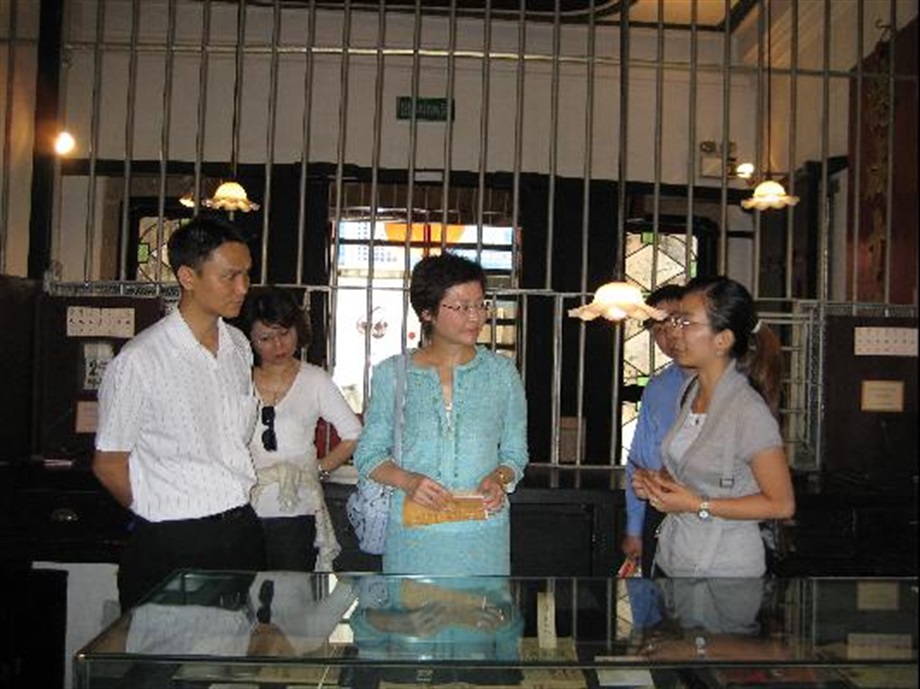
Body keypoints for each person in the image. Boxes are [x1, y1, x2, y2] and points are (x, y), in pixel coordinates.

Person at [93, 216, 265, 611]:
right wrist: (161, 508)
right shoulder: (141, 360)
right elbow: (109, 463)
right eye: (230, 276)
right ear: (188, 276)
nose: (243, 288)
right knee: (165, 664)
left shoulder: (237, 345)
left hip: (240, 528)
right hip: (172, 538)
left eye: (247, 275)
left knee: (231, 660)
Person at [352, 252, 529, 576]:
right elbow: (367, 455)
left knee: (480, 621)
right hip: (414, 534)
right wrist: (408, 481)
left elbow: (516, 453)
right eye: (461, 307)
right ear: (427, 312)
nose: (475, 316)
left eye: (480, 304)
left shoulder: (502, 373)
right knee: (414, 622)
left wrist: (499, 478)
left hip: (482, 534)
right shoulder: (393, 373)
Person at [634, 275, 794, 578]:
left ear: (722, 340)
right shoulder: (690, 391)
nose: (672, 331)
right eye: (674, 321)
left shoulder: (748, 410)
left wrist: (698, 504)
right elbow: (692, 473)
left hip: (726, 572)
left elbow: (781, 504)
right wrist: (659, 482)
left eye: (685, 323)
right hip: (678, 558)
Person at [242, 286, 362, 572]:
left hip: (297, 508)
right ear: (249, 339)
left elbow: (353, 434)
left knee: (291, 601)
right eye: (266, 338)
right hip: (241, 507)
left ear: (298, 329)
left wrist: (318, 469)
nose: (278, 345)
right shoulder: (237, 378)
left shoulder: (314, 380)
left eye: (284, 333)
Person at [622, 284, 690, 577]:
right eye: (657, 329)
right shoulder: (658, 387)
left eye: (674, 321)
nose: (668, 335)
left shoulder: (732, 384)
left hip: (713, 514)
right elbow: (639, 460)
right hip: (660, 509)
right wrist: (635, 528)